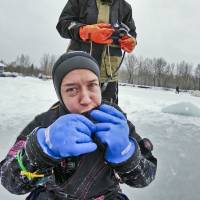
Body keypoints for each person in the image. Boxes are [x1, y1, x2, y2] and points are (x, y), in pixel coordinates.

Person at [0, 52, 157, 200]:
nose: (86, 99)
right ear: (60, 94)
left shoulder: (115, 120)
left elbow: (146, 177)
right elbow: (9, 180)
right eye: (72, 89)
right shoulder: (45, 122)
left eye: (92, 85)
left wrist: (127, 154)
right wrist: (41, 151)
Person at [56, 0, 137, 104]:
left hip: (109, 77)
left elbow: (131, 32)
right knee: (75, 116)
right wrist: (84, 31)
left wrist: (131, 41)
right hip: (78, 71)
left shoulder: (125, 7)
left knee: (107, 117)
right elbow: (63, 24)